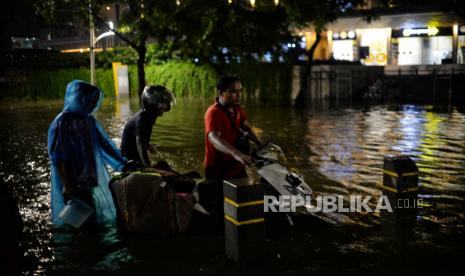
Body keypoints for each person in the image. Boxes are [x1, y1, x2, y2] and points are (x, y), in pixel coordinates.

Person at [47, 80, 128, 225]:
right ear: (78, 99)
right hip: (72, 181)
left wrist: (123, 164)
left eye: (95, 102)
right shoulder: (61, 123)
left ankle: (85, 242)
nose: (93, 106)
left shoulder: (88, 121)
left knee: (88, 216)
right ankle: (79, 243)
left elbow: (105, 145)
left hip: (88, 179)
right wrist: (67, 184)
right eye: (90, 102)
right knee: (79, 220)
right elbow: (58, 158)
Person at [204, 75, 261, 181]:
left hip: (237, 165)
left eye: (240, 91)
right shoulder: (213, 112)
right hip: (218, 169)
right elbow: (213, 137)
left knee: (245, 195)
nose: (238, 95)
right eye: (233, 91)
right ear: (221, 92)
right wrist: (237, 154)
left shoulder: (237, 108)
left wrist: (259, 144)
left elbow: (245, 126)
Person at [120, 85, 175, 168]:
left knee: (163, 165)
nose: (164, 108)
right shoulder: (142, 119)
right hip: (130, 163)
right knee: (163, 166)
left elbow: (140, 140)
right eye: (162, 105)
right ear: (152, 104)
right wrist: (148, 167)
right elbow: (140, 145)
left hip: (135, 158)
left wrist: (148, 146)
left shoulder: (149, 116)